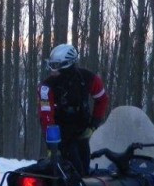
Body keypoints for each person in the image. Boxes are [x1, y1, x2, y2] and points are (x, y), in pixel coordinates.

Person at [38, 44, 109, 176]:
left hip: (82, 131)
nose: (52, 70)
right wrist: (52, 145)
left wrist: (93, 125)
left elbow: (102, 99)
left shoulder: (89, 79)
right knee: (73, 171)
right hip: (61, 135)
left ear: (68, 65)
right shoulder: (46, 87)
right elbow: (46, 116)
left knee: (84, 168)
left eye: (56, 66)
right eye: (51, 65)